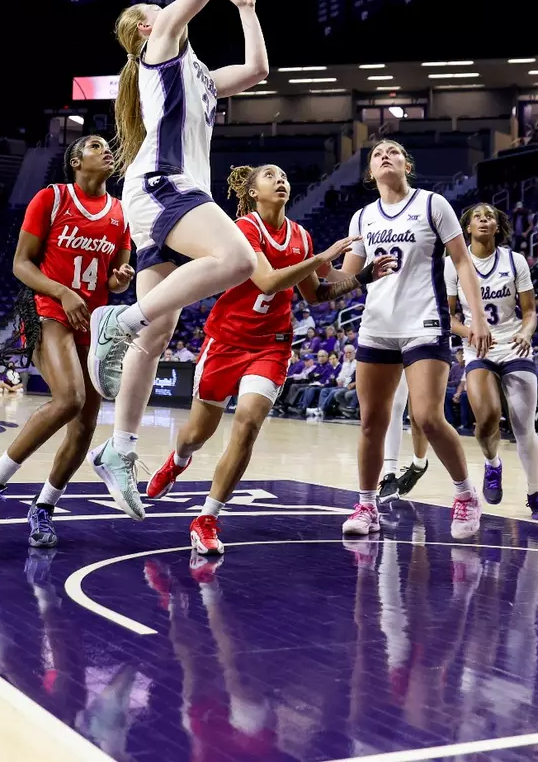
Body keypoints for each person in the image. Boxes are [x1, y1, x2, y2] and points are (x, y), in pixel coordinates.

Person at [82, 0, 268, 518]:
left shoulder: (196, 74)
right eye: (153, 10)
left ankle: (119, 447)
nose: (165, 9)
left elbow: (258, 68)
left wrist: (246, 11)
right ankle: (117, 321)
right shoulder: (157, 46)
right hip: (165, 187)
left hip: (153, 195)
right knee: (239, 259)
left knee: (156, 337)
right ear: (142, 29)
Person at [145, 164, 388, 554]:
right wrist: (320, 256)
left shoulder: (301, 236)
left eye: (285, 176)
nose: (281, 180)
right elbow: (269, 281)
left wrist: (362, 278)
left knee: (247, 423)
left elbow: (317, 295)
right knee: (196, 434)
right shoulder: (244, 230)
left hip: (271, 346)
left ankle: (207, 518)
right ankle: (178, 459)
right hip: (225, 341)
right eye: (271, 175)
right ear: (253, 191)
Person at [0, 135, 135, 549]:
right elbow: (21, 264)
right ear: (76, 160)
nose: (106, 149)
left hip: (91, 320)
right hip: (47, 309)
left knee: (83, 428)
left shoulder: (120, 212)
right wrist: (61, 291)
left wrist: (119, 280)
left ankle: (43, 507)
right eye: (96, 145)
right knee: (70, 399)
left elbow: (115, 276)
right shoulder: (52, 198)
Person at [330, 140, 492, 540]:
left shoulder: (432, 204)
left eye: (394, 151)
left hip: (424, 322)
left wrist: (478, 317)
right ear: (370, 172)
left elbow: (462, 263)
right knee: (371, 423)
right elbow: (344, 281)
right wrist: (306, 264)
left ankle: (466, 495)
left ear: (407, 164)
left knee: (427, 417)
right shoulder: (362, 217)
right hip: (377, 326)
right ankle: (367, 505)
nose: (385, 155)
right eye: (377, 153)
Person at [441, 204, 538, 520]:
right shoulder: (453, 265)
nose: (485, 219)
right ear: (467, 227)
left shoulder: (514, 261)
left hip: (513, 345)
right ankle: (492, 464)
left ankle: (535, 492)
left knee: (523, 426)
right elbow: (448, 317)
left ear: (497, 225)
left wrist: (528, 333)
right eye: (478, 216)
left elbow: (529, 312)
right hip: (479, 349)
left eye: (490, 216)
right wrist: (470, 332)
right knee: (487, 419)